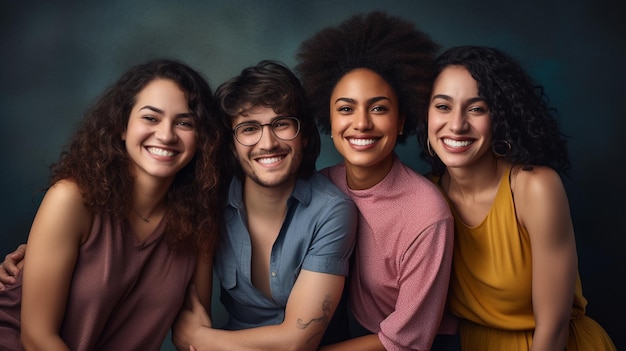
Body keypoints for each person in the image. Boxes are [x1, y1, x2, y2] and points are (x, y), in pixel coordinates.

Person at [0, 59, 223, 350]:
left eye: (184, 122)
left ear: (200, 139)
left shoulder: (200, 223)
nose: (166, 135)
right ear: (122, 126)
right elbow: (37, 339)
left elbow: (194, 337)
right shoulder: (71, 199)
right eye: (150, 118)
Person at [419, 45, 617, 350]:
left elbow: (553, 327)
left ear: (501, 116)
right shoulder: (426, 196)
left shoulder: (534, 187)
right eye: (443, 106)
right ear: (426, 113)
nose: (457, 124)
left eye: (477, 108)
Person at [295, 11, 458, 351]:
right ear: (329, 117)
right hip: (349, 335)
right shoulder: (321, 186)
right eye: (345, 108)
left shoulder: (427, 213)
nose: (361, 123)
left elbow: (407, 342)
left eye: (379, 108)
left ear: (402, 120)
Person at [171, 60, 358, 351]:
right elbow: (196, 315)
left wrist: (202, 340)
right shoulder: (211, 200)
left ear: (305, 135)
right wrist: (199, 338)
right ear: (232, 144)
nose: (268, 143)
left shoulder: (332, 211)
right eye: (248, 129)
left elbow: (297, 342)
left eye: (281, 124)